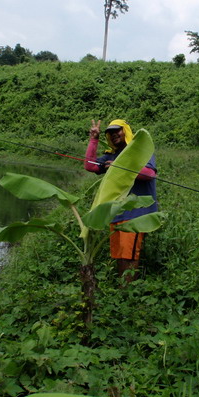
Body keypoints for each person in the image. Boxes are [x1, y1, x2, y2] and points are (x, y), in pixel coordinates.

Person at [84, 119, 158, 284]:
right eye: (110, 132)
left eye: (118, 130)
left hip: (136, 213)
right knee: (120, 255)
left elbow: (149, 174)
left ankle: (128, 292)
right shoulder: (110, 155)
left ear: (126, 131)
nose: (114, 134)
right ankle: (123, 290)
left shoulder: (140, 150)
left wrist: (119, 166)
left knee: (130, 255)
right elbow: (90, 166)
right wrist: (94, 139)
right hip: (117, 213)